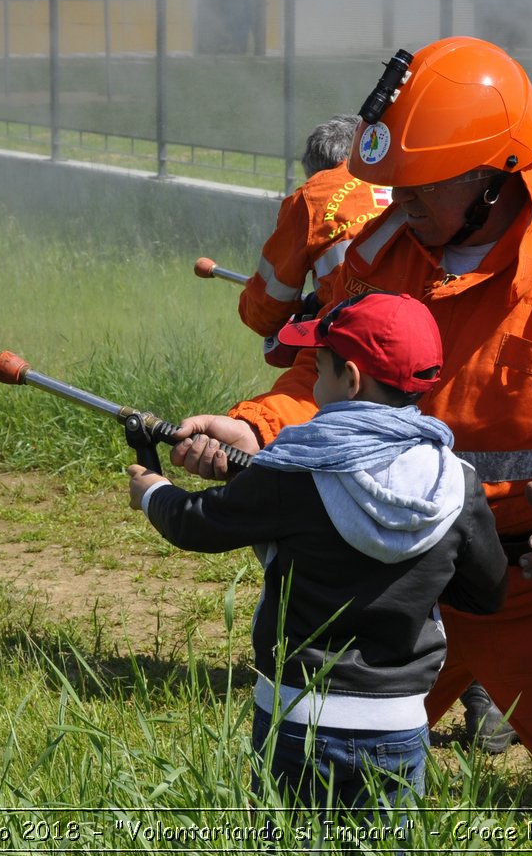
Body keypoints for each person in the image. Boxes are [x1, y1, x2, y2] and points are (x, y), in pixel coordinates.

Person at [170, 36, 532, 852]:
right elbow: (325, 374)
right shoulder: (383, 253)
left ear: (491, 175)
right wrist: (256, 426)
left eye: (418, 188)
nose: (397, 203)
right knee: (312, 772)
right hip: (393, 563)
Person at [127, 292, 507, 819]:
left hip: (296, 716)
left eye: (318, 368)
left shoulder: (294, 469)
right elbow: (485, 593)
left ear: (350, 379)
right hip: (399, 724)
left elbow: (198, 523)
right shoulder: (456, 483)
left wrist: (151, 487)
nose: (311, 382)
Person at [239, 111, 518, 752]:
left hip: (358, 378)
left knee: (356, 523)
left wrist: (297, 314)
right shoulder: (417, 185)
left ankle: (346, 664)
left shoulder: (316, 196)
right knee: (442, 539)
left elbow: (263, 306)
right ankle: (483, 700)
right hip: (432, 382)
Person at [238, 114, 389, 340]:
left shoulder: (312, 197)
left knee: (294, 368)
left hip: (356, 330)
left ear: (318, 173)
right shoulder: (399, 177)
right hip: (426, 321)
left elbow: (266, 312)